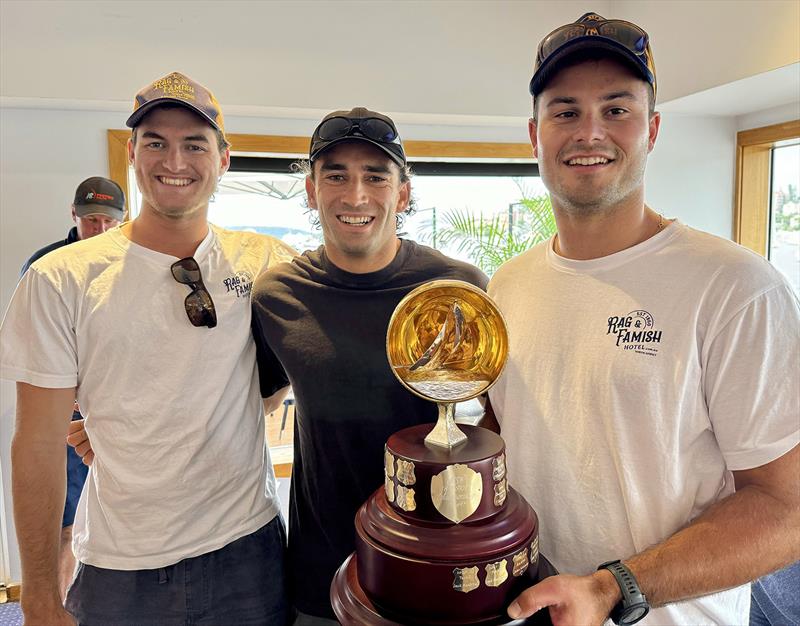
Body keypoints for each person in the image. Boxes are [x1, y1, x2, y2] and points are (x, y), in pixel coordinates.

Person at [487, 12, 800, 626]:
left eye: (617, 109)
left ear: (652, 129)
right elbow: (509, 431)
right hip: (536, 604)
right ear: (535, 133)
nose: (590, 132)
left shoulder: (735, 287)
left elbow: (786, 509)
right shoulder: (509, 284)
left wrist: (612, 588)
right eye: (566, 111)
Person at [0, 71, 295, 625]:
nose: (174, 161)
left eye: (194, 144)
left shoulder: (264, 261)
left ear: (224, 159)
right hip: (119, 563)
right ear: (132, 152)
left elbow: (308, 364)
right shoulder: (60, 278)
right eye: (156, 142)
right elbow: (36, 443)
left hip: (247, 551)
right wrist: (37, 593)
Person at [250, 107, 488, 624]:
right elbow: (247, 400)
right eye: (335, 175)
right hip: (322, 569)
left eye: (375, 176)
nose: (354, 195)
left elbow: (504, 416)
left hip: (437, 564)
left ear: (402, 192)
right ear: (311, 191)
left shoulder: (458, 290)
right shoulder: (279, 296)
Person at [19, 175, 125, 601]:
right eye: (92, 220)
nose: (99, 231)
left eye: (108, 222)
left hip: (122, 410)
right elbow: (34, 353)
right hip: (69, 413)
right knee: (66, 522)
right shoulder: (46, 269)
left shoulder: (134, 263)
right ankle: (57, 606)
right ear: (74, 216)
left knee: (121, 516)